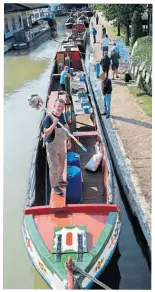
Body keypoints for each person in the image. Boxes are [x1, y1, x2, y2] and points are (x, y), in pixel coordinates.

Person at [43, 98, 71, 195]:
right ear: (54, 106)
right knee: (54, 167)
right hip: (52, 145)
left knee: (62, 162)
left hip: (61, 143)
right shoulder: (48, 118)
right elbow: (46, 133)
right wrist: (54, 123)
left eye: (62, 107)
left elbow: (66, 127)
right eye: (58, 106)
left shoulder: (63, 115)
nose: (60, 108)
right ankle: (55, 186)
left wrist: (69, 139)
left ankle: (60, 180)